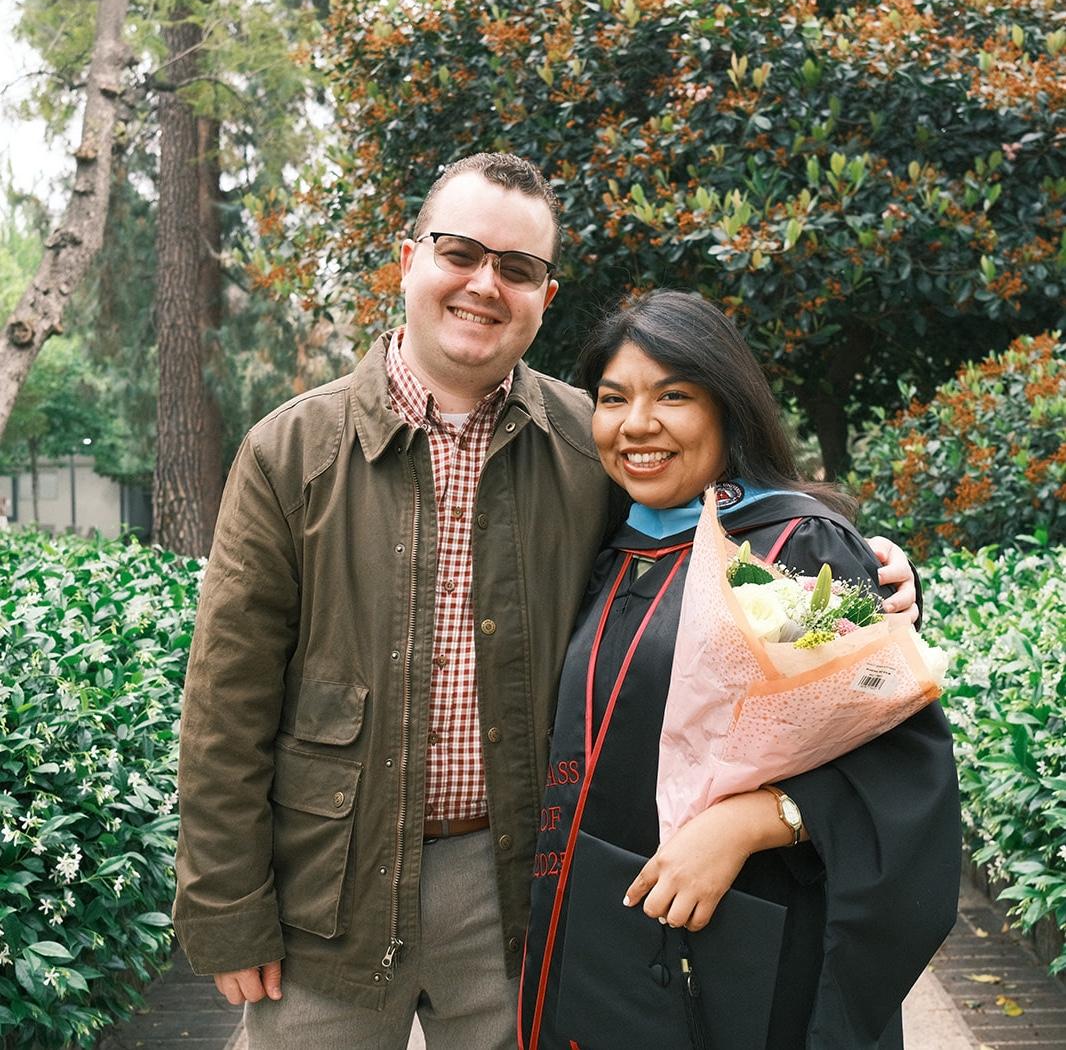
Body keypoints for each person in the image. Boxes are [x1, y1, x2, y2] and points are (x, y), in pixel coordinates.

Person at [173, 154, 922, 1049]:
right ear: (409, 260)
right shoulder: (290, 452)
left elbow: (731, 536)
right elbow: (227, 704)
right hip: (324, 895)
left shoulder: (593, 443)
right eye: (461, 252)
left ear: (544, 295)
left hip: (520, 890)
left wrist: (869, 575)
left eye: (517, 268)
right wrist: (226, 910)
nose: (485, 284)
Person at [519, 290, 961, 1050]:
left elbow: (898, 760)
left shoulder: (789, 549)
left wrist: (750, 822)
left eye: (674, 396)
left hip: (747, 957)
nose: (636, 425)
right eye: (613, 398)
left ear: (728, 406)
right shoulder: (607, 546)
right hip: (605, 940)